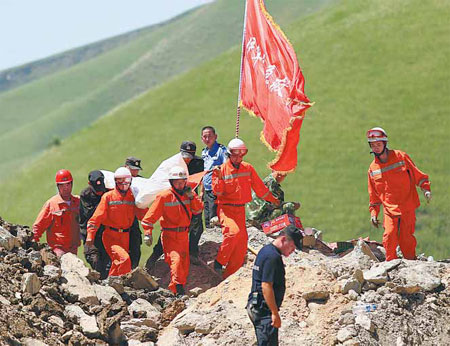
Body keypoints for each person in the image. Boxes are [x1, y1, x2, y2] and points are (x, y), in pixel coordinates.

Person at [212, 138, 280, 278]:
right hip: (226, 210)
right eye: (235, 155)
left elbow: (260, 189)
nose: (238, 158)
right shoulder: (220, 170)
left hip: (240, 210)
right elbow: (217, 193)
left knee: (242, 245)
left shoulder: (248, 168)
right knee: (233, 233)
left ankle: (228, 276)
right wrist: (218, 178)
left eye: (241, 155)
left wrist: (273, 200)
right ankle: (219, 262)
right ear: (229, 154)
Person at [367, 127, 431, 261]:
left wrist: (425, 188)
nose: (376, 148)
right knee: (389, 236)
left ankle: (410, 263)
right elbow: (373, 194)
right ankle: (390, 267)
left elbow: (417, 174)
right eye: (373, 145)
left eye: (378, 144)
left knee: (406, 239)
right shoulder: (373, 169)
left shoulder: (401, 157)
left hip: (407, 206)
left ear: (385, 143)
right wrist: (374, 212)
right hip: (390, 209)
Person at [141, 166, 203, 296]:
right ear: (171, 182)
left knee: (184, 263)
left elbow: (198, 210)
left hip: (184, 235)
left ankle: (179, 288)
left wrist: (192, 197)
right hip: (170, 235)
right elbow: (149, 218)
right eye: (177, 182)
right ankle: (177, 290)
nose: (180, 185)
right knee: (176, 260)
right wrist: (147, 233)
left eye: (182, 182)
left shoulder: (189, 194)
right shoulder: (164, 197)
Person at [145, 141, 205, 270]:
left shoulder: (199, 163)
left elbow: (200, 180)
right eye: (185, 156)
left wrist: (194, 195)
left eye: (190, 156)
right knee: (170, 228)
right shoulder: (173, 165)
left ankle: (193, 253)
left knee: (197, 227)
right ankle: (154, 258)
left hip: (189, 198)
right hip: (173, 199)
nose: (187, 159)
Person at [247, 225, 303, 346]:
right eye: (292, 246)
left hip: (258, 305)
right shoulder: (273, 257)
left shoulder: (266, 250)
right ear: (283, 239)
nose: (293, 250)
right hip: (264, 310)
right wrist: (274, 313)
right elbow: (266, 285)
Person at [86, 167, 147, 277]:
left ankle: (111, 284)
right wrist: (90, 236)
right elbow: (96, 218)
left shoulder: (133, 197)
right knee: (125, 259)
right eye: (120, 183)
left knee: (117, 262)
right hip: (110, 236)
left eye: (127, 183)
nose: (124, 186)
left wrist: (149, 230)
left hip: (125, 236)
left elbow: (144, 215)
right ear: (115, 182)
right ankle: (123, 285)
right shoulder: (108, 197)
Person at [32, 169, 80, 257]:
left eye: (68, 184)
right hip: (58, 250)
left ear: (72, 184)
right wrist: (32, 244)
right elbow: (38, 226)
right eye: (62, 185)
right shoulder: (51, 204)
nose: (66, 188)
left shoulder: (78, 202)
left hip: (73, 249)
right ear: (57, 186)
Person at [79, 170, 110, 279]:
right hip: (90, 235)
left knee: (108, 264)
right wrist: (104, 204)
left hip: (105, 234)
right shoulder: (85, 195)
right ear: (89, 184)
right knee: (94, 260)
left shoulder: (108, 192)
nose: (99, 192)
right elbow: (90, 214)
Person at [201, 126, 228, 228]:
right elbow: (204, 173)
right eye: (204, 137)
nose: (207, 139)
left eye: (209, 136)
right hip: (207, 189)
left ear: (215, 136)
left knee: (214, 218)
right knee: (207, 219)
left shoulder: (221, 150)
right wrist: (202, 191)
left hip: (216, 189)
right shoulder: (204, 152)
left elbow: (226, 167)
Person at [124, 156, 144, 269]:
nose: (135, 172)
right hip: (119, 221)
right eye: (132, 169)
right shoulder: (117, 180)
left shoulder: (140, 181)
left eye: (136, 169)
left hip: (134, 219)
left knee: (136, 248)